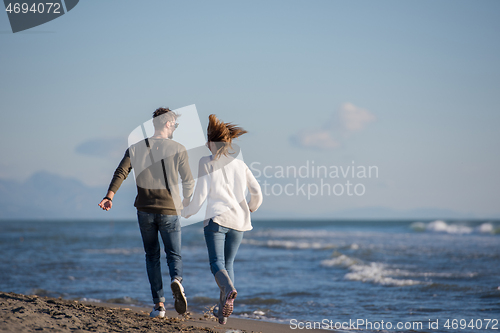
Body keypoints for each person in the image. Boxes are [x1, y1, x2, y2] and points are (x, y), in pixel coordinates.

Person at [98, 107, 195, 318]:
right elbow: (188, 180)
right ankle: (176, 281)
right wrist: (187, 201)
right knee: (173, 254)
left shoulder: (136, 148)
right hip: (170, 209)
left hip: (145, 210)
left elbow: (121, 172)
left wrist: (109, 196)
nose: (175, 128)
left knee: (152, 256)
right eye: (175, 125)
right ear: (168, 124)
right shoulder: (178, 148)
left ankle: (159, 306)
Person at [182, 114, 263, 324]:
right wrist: (251, 208)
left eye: (207, 140)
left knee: (216, 264)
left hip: (216, 221)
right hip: (239, 222)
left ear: (211, 142)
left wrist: (186, 212)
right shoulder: (240, 165)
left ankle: (228, 291)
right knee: (228, 265)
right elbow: (257, 192)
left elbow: (199, 197)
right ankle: (222, 313)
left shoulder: (206, 163)